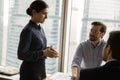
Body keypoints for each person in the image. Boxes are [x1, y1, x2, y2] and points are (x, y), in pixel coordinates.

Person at [17, 0, 58, 80]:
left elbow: (37, 48)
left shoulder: (40, 29)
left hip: (40, 70)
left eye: (47, 14)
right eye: (44, 13)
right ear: (34, 12)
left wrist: (48, 50)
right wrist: (43, 52)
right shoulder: (28, 30)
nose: (46, 17)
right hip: (29, 74)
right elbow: (21, 54)